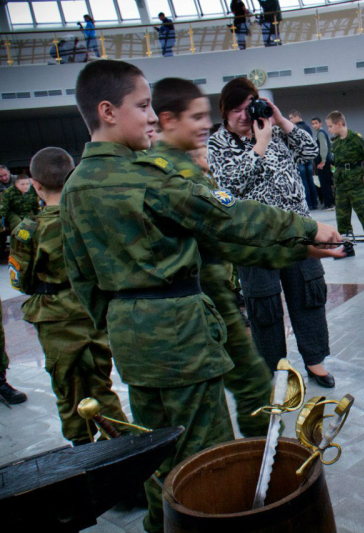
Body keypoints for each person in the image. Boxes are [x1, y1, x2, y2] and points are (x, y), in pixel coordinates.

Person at [62, 59, 342, 533]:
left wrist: (123, 321)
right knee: (209, 461)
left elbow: (83, 278)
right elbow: (226, 217)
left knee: (157, 455)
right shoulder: (144, 175)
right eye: (143, 106)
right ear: (107, 111)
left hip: (131, 338)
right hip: (182, 334)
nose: (151, 117)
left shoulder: (75, 186)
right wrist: (307, 226)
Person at [151, 77, 289, 436]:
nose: (204, 124)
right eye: (197, 117)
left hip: (212, 293)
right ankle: (253, 458)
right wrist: (302, 236)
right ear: (169, 120)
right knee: (214, 411)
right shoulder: (170, 173)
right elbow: (230, 220)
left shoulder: (177, 166)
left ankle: (260, 454)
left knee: (252, 386)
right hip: (191, 302)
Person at [207, 78, 336, 388]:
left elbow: (309, 151)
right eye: (236, 110)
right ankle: (275, 368)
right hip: (255, 239)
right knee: (263, 305)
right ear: (224, 112)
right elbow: (229, 184)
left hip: (297, 231)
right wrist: (260, 145)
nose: (244, 116)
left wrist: (279, 120)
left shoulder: (272, 129)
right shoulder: (217, 143)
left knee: (308, 294)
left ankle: (315, 361)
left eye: (248, 108)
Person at [10, 147, 129, 446]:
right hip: (91, 312)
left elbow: (22, 282)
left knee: (69, 390)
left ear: (35, 184)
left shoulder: (28, 230)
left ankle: (83, 447)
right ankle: (123, 443)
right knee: (101, 381)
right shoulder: (93, 221)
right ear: (72, 176)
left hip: (55, 321)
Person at [326, 110, 364, 259]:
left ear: (339, 124)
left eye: (330, 126)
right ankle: (348, 247)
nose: (329, 129)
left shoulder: (356, 138)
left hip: (356, 183)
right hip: (341, 185)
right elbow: (335, 162)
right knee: (342, 218)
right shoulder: (335, 142)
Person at [288, 110, 319, 210]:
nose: (290, 120)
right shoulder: (308, 127)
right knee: (310, 180)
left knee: (303, 181)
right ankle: (315, 203)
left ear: (297, 117)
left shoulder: (295, 128)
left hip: (300, 158)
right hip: (309, 158)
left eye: (291, 118)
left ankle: (308, 203)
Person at [311, 116, 335, 209]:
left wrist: (323, 161)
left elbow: (324, 147)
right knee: (324, 182)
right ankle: (329, 203)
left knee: (325, 183)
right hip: (323, 160)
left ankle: (329, 203)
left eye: (316, 123)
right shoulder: (319, 133)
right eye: (313, 124)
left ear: (320, 123)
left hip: (323, 161)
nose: (314, 125)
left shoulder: (321, 133)